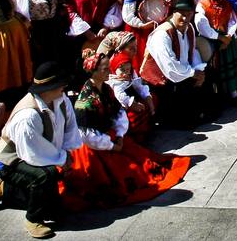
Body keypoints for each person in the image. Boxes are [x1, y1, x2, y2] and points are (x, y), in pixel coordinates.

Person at [61, 52, 191, 211]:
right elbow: (87, 135)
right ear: (93, 72)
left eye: (108, 67)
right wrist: (112, 146)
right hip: (94, 147)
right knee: (120, 175)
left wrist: (121, 134)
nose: (109, 72)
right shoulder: (85, 101)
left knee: (141, 160)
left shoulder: (107, 89)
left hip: (111, 136)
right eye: (104, 69)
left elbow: (118, 112)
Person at [0, 62, 82, 238]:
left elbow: (70, 129)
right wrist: (63, 159)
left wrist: (67, 154)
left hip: (39, 153)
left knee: (58, 203)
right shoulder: (28, 116)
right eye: (61, 83)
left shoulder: (61, 100)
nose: (65, 86)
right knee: (44, 176)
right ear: (49, 87)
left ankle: (10, 191)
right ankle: (33, 220)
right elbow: (33, 155)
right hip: (10, 160)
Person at [141, 0, 207, 127]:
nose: (185, 18)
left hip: (182, 73)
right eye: (181, 14)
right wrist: (193, 73)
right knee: (185, 118)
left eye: (188, 14)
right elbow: (169, 65)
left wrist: (199, 71)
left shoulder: (189, 28)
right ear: (174, 13)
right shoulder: (162, 34)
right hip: (161, 79)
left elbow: (192, 52)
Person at [195, 0, 237, 103]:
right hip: (211, 42)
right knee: (215, 70)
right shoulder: (202, 5)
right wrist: (220, 37)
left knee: (229, 69)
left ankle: (234, 95)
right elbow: (202, 26)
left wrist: (228, 36)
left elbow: (232, 20)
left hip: (227, 39)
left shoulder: (225, 3)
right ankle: (218, 98)